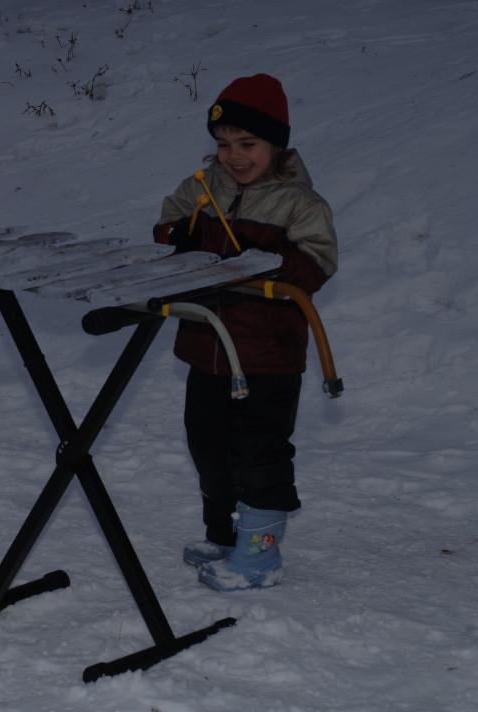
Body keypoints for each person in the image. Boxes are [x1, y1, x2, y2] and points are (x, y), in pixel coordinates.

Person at [152, 73, 338, 591]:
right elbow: (166, 226)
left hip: (266, 354)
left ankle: (259, 555)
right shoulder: (202, 187)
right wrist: (181, 235)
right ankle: (224, 535)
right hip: (206, 346)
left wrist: (263, 265)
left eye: (247, 144)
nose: (234, 156)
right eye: (223, 144)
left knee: (259, 451)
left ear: (276, 144)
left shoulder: (300, 204)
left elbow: (317, 263)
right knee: (207, 445)